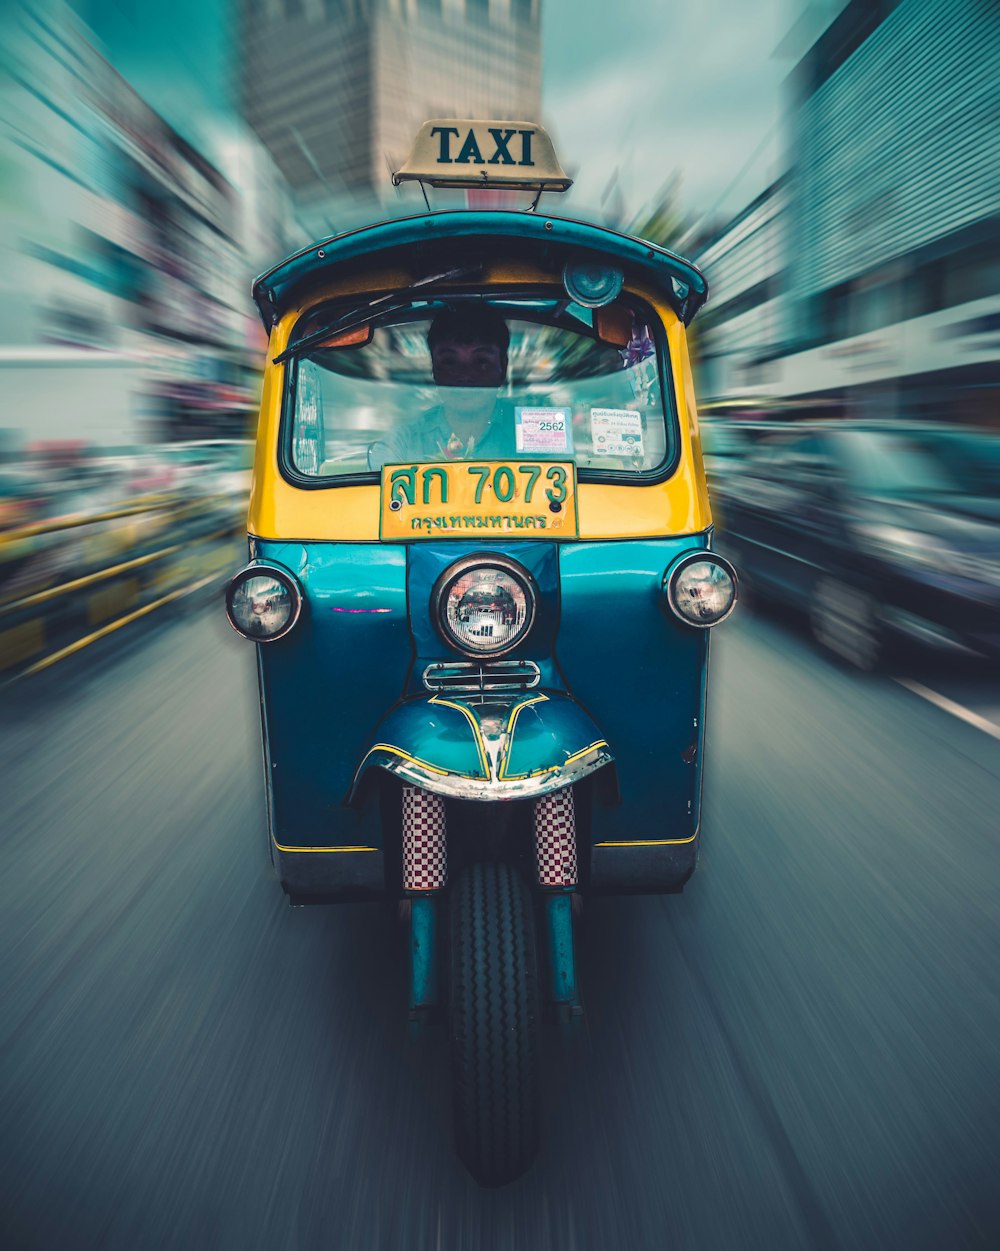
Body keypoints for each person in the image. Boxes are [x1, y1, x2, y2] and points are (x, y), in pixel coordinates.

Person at [368, 306, 514, 469]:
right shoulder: (404, 442)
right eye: (450, 362)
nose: (464, 375)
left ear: (503, 366)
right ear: (434, 369)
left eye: (481, 361)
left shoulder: (530, 435)